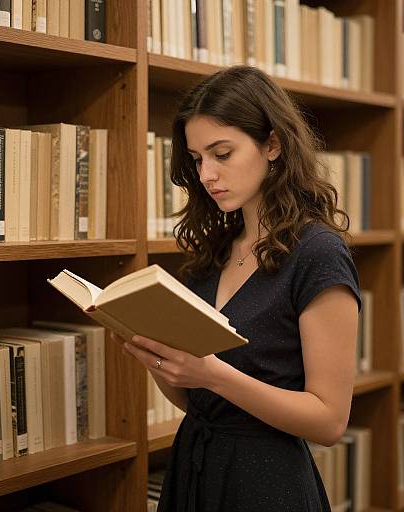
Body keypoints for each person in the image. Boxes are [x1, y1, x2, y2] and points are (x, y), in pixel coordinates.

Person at [117, 65, 361, 511]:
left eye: (222, 153)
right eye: (196, 159)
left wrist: (214, 374)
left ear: (273, 144)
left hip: (266, 482)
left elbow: (329, 422)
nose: (207, 174)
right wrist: (153, 355)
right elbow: (197, 402)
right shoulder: (214, 253)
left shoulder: (317, 254)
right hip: (195, 465)